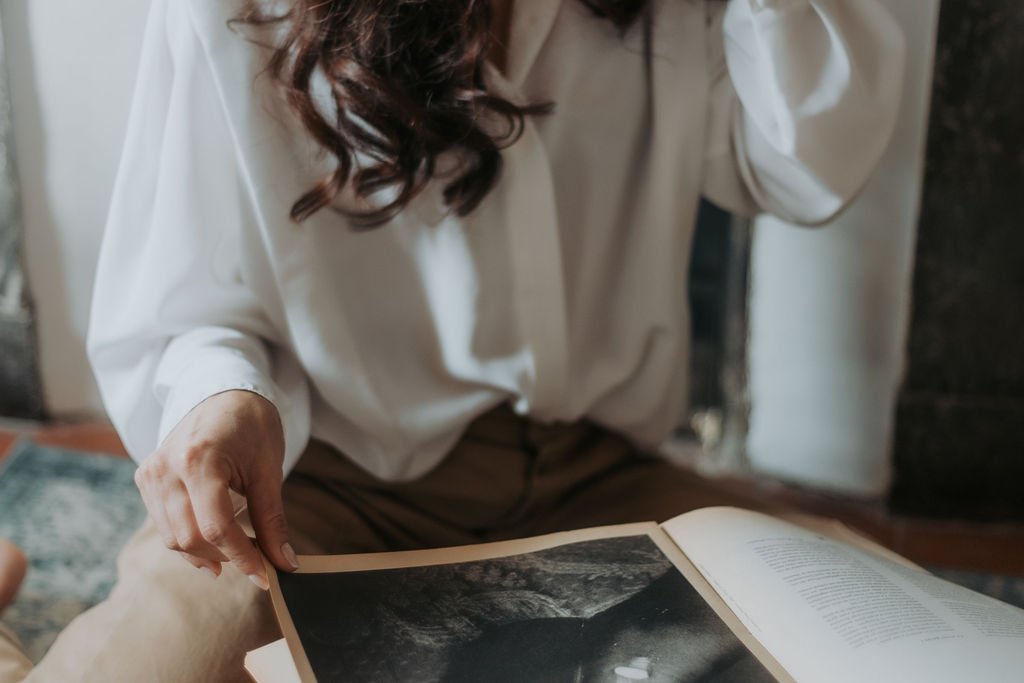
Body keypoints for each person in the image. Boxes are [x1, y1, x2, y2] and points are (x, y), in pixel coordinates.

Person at [0, 0, 905, 679]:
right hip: (323, 483)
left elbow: (808, 165)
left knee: (894, 642)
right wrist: (222, 395)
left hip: (604, 475)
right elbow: (186, 295)